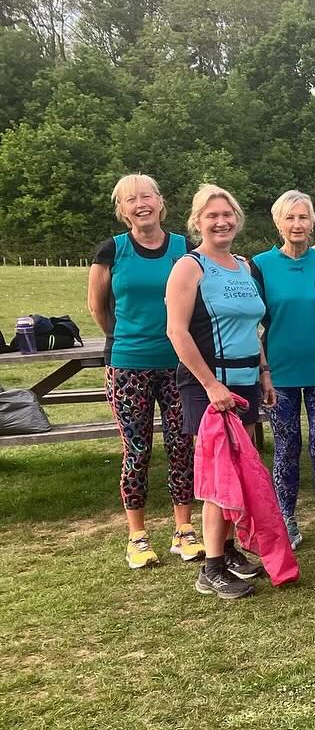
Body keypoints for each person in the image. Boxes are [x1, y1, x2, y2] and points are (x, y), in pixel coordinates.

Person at [165, 184, 276, 601]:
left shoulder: (245, 266)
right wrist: (212, 385)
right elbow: (176, 331)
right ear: (198, 221)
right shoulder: (189, 267)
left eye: (227, 215)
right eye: (212, 216)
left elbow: (252, 327)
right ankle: (209, 569)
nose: (221, 221)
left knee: (242, 470)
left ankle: (226, 550)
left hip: (246, 380)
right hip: (207, 384)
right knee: (220, 474)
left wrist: (264, 371)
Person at [87, 174, 201, 570]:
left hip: (178, 365)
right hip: (128, 365)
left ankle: (184, 530)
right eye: (131, 199)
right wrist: (121, 337)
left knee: (181, 446)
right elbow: (98, 306)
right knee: (136, 450)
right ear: (122, 210)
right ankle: (137, 536)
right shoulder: (112, 251)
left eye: (147, 196)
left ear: (160, 202)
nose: (141, 204)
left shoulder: (184, 249)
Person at [252, 190, 315, 552]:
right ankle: (286, 519)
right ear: (278, 222)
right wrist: (262, 368)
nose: (297, 225)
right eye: (290, 218)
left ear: (313, 221)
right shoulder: (260, 266)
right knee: (286, 446)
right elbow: (253, 324)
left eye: (303, 217)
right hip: (278, 372)